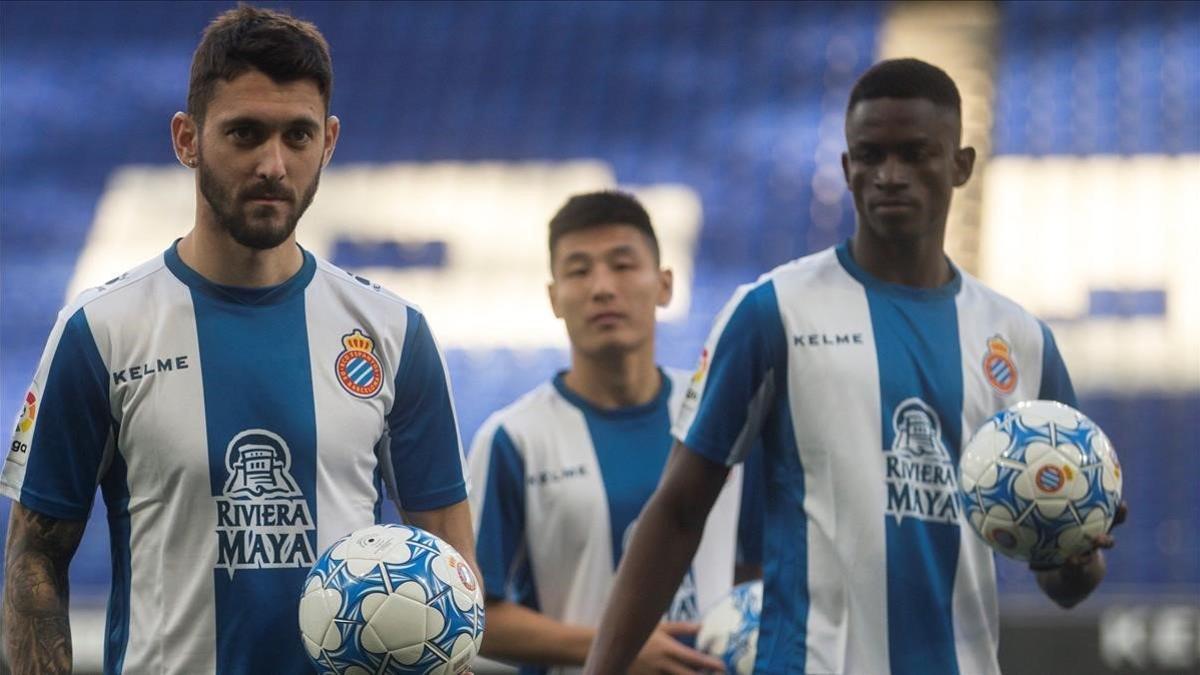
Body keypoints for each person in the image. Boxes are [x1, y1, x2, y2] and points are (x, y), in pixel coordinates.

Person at [583, 59, 1127, 675]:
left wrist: (1078, 550)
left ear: (960, 165)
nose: (889, 175)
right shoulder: (773, 312)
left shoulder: (1020, 341)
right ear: (846, 169)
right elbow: (679, 510)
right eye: (869, 156)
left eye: (916, 153)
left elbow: (1066, 586)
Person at [1, 7, 478, 674]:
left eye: (298, 136)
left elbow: (453, 568)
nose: (273, 165)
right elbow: (34, 560)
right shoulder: (101, 330)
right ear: (187, 139)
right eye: (245, 134)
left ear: (330, 141)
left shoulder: (393, 333)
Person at [467, 191, 762, 675]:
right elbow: (474, 618)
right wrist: (615, 647)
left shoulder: (721, 413)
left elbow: (758, 569)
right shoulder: (513, 439)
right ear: (554, 298)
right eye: (579, 271)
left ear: (665, 285)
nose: (602, 288)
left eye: (622, 265)